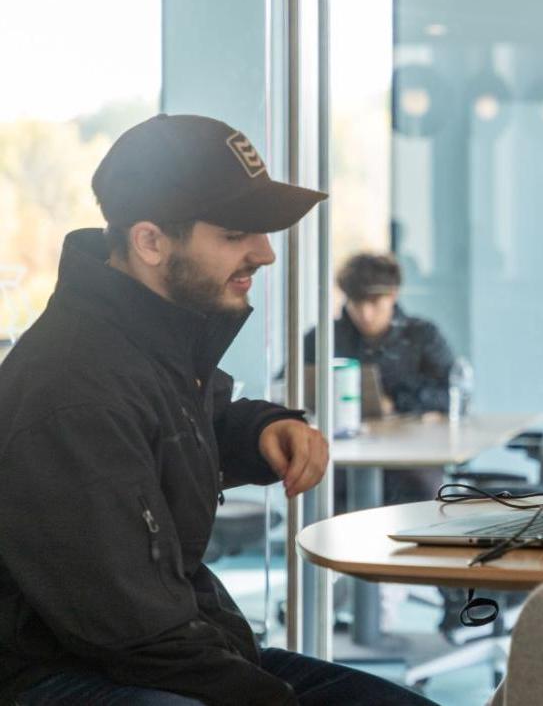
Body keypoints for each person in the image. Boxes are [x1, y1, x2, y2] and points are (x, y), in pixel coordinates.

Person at [0, 114, 437, 706]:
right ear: (150, 241)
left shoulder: (146, 337)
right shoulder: (74, 390)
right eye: (236, 234)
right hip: (70, 672)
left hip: (166, 645)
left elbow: (187, 421)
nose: (264, 254)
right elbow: (134, 633)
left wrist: (259, 429)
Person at [304, 252, 454, 507]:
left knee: (420, 493)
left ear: (393, 294)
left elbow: (452, 393)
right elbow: (287, 387)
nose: (365, 313)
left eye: (375, 302)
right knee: (319, 489)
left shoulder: (421, 335)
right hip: (342, 454)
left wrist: (397, 403)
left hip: (410, 457)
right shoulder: (324, 337)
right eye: (356, 303)